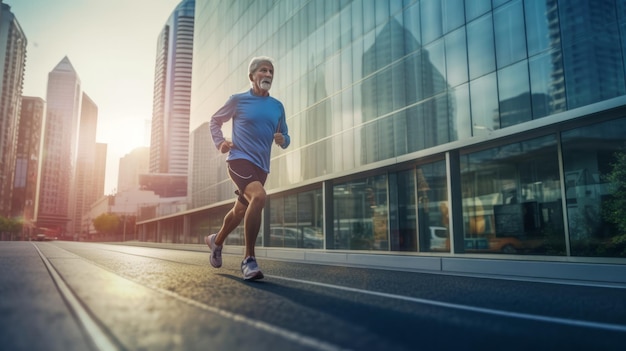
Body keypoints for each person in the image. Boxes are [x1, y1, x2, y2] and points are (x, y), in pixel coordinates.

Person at [205, 56, 290, 280]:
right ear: (252, 76)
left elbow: (286, 136)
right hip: (239, 160)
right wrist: (220, 142)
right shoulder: (238, 100)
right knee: (259, 197)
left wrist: (283, 139)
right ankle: (249, 259)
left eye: (271, 72)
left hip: (262, 168)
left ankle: (216, 241)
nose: (269, 75)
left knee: (240, 211)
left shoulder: (277, 106)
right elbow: (214, 120)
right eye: (264, 70)